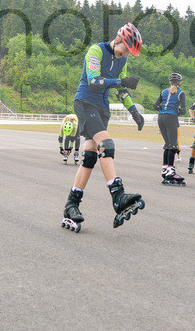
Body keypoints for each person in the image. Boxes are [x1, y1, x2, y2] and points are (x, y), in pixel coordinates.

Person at [62, 23, 147, 233]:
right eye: (125, 49)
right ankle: (118, 196)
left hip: (102, 109)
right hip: (85, 102)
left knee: (90, 158)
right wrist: (120, 80)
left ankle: (71, 205)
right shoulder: (96, 50)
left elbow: (122, 90)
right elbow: (93, 81)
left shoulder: (123, 60)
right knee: (107, 145)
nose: (124, 54)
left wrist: (133, 111)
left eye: (128, 52)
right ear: (118, 39)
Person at [154, 72, 187, 185]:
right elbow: (183, 110)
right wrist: (173, 111)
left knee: (167, 144)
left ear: (169, 82)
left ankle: (165, 170)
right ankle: (170, 172)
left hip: (160, 117)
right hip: (170, 117)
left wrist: (163, 109)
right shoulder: (180, 93)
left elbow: (155, 106)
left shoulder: (163, 91)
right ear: (180, 83)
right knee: (173, 145)